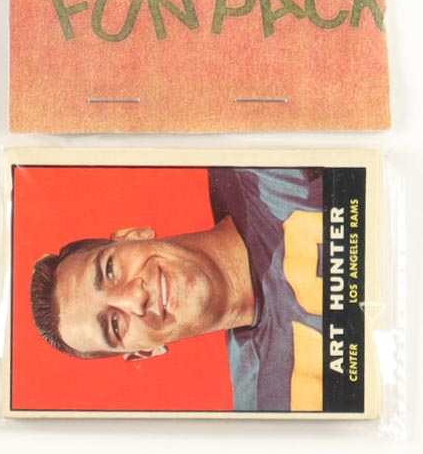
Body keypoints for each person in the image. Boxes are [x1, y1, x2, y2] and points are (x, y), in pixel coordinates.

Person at [31, 167, 324, 411]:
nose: (135, 297)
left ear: (134, 235)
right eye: (114, 325)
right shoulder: (272, 412)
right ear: (145, 352)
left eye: (110, 270)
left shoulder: (261, 164)